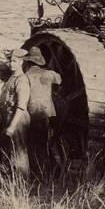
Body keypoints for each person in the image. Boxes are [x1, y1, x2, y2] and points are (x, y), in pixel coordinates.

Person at [23, 46, 62, 181]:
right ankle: (47, 174)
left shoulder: (26, 76)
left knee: (32, 146)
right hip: (45, 113)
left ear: (27, 62)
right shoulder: (49, 74)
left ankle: (36, 175)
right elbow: (59, 80)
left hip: (31, 114)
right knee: (43, 144)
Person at [0, 48, 31, 181]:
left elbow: (21, 106)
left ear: (21, 62)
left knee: (18, 153)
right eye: (10, 60)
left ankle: (21, 186)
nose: (11, 63)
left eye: (14, 61)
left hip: (17, 120)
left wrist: (12, 126)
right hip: (7, 118)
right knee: (7, 151)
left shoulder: (21, 80)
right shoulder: (12, 79)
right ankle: (8, 182)